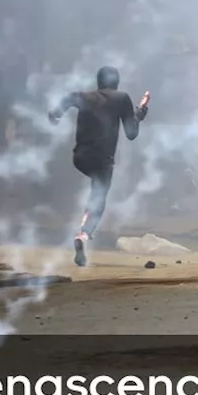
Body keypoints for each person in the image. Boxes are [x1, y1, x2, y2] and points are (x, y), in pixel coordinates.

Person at [48, 66, 149, 267]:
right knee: (98, 196)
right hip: (103, 160)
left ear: (99, 81)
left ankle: (84, 233)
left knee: (96, 189)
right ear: (116, 82)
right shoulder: (121, 98)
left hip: (80, 157)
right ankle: (84, 234)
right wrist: (138, 115)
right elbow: (131, 133)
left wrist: (56, 114)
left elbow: (67, 99)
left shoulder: (85, 96)